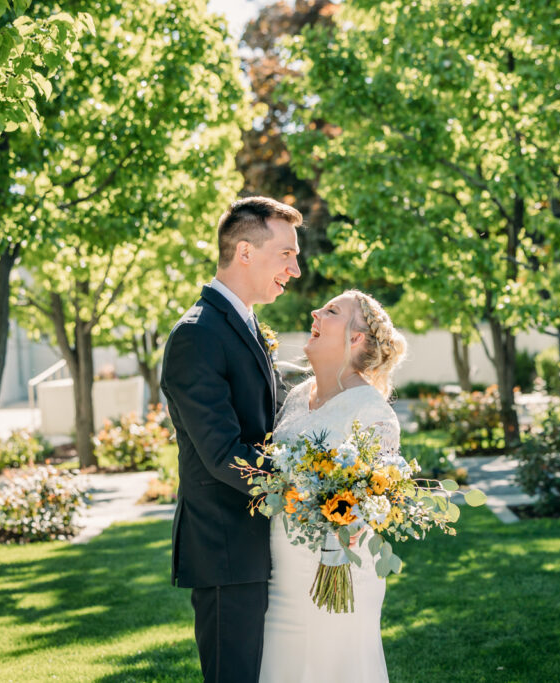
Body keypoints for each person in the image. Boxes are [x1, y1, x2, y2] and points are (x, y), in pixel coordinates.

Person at [160, 196, 302, 683]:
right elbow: (224, 455)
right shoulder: (197, 336)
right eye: (286, 254)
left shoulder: (243, 325)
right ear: (245, 251)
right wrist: (305, 488)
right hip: (226, 553)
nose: (297, 269)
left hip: (257, 543)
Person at [259, 290, 407, 683]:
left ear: (355, 338)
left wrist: (342, 529)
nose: (315, 312)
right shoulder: (294, 398)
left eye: (331, 311)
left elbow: (371, 503)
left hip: (339, 570)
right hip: (281, 572)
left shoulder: (373, 413)